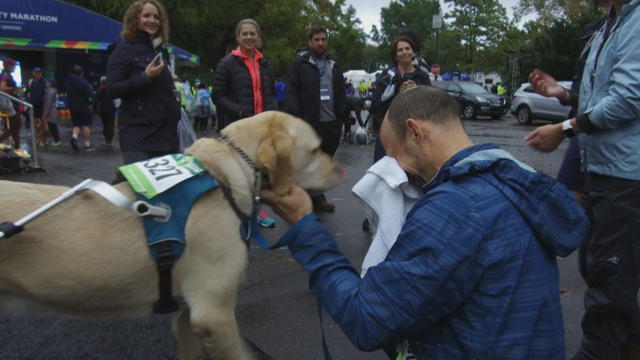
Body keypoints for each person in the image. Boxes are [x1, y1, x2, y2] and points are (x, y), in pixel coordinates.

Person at [263, 86, 589, 359]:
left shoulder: (455, 209)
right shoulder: (510, 179)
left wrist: (305, 225)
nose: (394, 170)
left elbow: (368, 319)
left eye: (393, 155)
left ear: (416, 132)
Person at [524, 1, 640, 359]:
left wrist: (565, 128)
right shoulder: (612, 22)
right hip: (601, 168)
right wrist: (563, 95)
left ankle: (599, 351)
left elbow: (628, 98)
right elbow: (600, 95)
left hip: (625, 174)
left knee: (609, 274)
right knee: (595, 263)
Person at [107, 0, 180, 164]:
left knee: (166, 188)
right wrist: (144, 77)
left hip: (166, 136)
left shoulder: (161, 51)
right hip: (138, 137)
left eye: (156, 17)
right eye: (146, 15)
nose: (152, 20)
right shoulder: (124, 49)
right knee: (142, 188)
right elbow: (113, 89)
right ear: (135, 19)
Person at [285, 24, 347, 212]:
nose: (320, 43)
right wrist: (296, 116)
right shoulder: (300, 63)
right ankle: (300, 199)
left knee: (323, 163)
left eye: (323, 39)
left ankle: (317, 197)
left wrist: (342, 113)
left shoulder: (333, 64)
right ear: (310, 42)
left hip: (331, 122)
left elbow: (340, 90)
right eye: (316, 40)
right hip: (309, 121)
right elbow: (292, 89)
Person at [370, 35, 431, 163]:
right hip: (388, 132)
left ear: (414, 52)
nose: (404, 52)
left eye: (407, 48)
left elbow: (430, 106)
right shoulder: (386, 76)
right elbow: (375, 106)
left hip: (412, 136)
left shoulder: (422, 76)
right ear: (395, 55)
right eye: (400, 50)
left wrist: (417, 91)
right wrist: (397, 94)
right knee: (384, 173)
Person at [212, 18, 277, 130]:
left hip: (262, 127)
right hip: (237, 127)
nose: (249, 37)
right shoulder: (226, 64)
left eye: (252, 34)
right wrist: (238, 110)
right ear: (238, 37)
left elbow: (272, 94)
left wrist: (271, 109)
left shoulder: (265, 65)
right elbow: (217, 96)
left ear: (258, 37)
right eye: (245, 34)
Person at [0, 58, 29, 158]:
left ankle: (17, 148)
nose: (15, 68)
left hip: (12, 103)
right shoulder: (5, 75)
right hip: (10, 104)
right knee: (15, 126)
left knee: (15, 127)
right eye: (14, 66)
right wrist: (14, 88)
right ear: (9, 66)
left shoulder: (6, 75)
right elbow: (2, 88)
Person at [65, 65, 95, 152]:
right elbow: (90, 95)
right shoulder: (84, 82)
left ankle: (74, 137)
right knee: (86, 125)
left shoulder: (68, 82)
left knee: (76, 124)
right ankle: (87, 145)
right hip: (83, 106)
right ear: (82, 73)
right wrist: (91, 103)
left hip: (72, 106)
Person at [27, 67, 47, 147]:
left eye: (39, 72)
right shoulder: (32, 82)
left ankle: (43, 139)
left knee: (43, 123)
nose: (38, 74)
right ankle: (38, 137)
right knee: (35, 124)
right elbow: (29, 93)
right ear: (33, 73)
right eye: (36, 72)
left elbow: (46, 94)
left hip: (42, 105)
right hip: (33, 105)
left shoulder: (44, 82)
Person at [95, 76, 115, 145]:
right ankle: (109, 138)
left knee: (105, 124)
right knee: (110, 124)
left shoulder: (99, 91)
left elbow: (96, 101)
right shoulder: (111, 89)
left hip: (102, 109)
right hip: (111, 109)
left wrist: (95, 111)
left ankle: (106, 137)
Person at [42, 78, 61, 147]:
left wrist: (45, 113)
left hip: (51, 111)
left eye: (47, 82)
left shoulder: (51, 91)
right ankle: (56, 140)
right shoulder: (52, 90)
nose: (46, 83)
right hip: (52, 110)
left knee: (52, 126)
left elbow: (48, 103)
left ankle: (57, 140)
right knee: (52, 125)